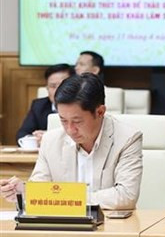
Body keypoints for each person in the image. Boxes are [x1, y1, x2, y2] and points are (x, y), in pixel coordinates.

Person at [0, 73, 143, 210]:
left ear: (100, 112)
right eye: (63, 120)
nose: (70, 130)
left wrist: (63, 198)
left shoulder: (127, 139)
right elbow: (40, 189)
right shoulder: (51, 140)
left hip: (110, 223)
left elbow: (126, 196)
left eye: (77, 121)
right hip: (62, 224)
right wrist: (25, 192)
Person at [16, 63, 75, 144]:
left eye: (62, 85)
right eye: (53, 86)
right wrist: (35, 138)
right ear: (47, 88)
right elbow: (22, 134)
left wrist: (49, 136)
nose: (57, 91)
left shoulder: (81, 106)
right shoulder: (38, 106)